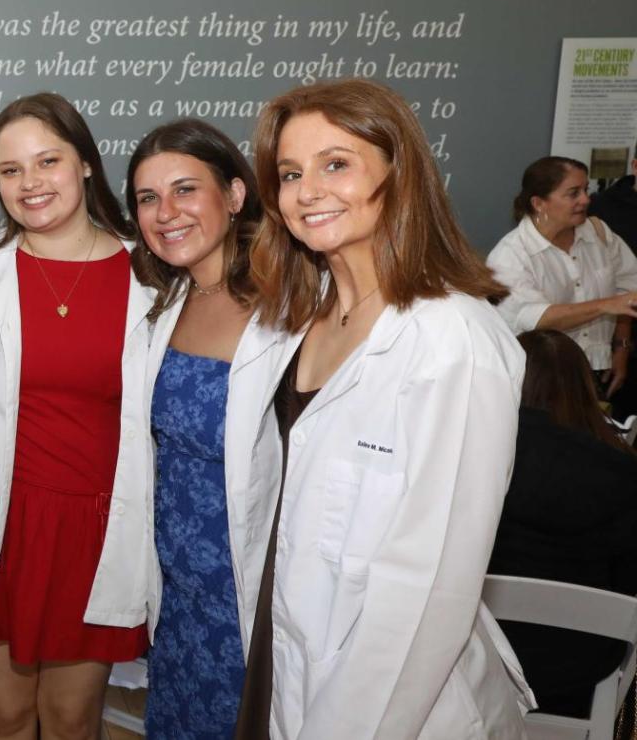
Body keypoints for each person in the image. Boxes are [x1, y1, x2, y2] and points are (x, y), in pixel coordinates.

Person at [235, 78, 533, 738]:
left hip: (391, 702)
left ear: (399, 175)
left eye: (336, 164)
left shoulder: (452, 340)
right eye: (290, 173)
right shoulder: (292, 320)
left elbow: (428, 590)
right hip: (283, 654)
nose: (307, 191)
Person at [0, 92, 148, 740]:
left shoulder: (149, 272)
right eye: (11, 170)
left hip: (95, 533)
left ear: (85, 162)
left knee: (70, 719)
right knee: (5, 715)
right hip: (6, 523)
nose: (30, 182)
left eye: (48, 161)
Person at [122, 119, 291, 738]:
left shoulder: (292, 306)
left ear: (236, 194)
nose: (166, 212)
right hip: (177, 592)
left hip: (252, 591)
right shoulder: (164, 304)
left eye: (185, 189)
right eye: (148, 198)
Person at [490, 329, 637, 720]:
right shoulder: (622, 474)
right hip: (579, 676)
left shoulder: (477, 455)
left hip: (478, 666)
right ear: (584, 389)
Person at [488, 156, 637, 402]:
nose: (586, 200)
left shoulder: (599, 233)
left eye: (586, 189)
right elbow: (536, 318)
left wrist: (621, 348)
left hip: (598, 370)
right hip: (541, 379)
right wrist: (605, 305)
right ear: (539, 203)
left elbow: (627, 289)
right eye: (573, 193)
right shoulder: (510, 256)